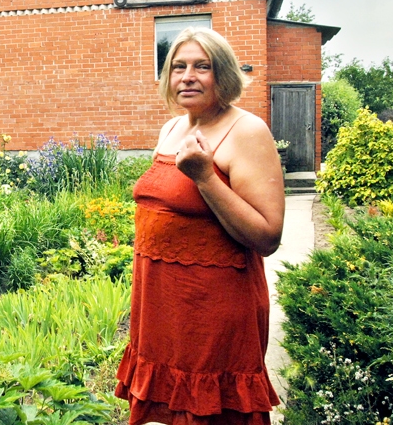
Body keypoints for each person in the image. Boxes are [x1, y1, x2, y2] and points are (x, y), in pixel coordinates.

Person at [115, 27, 285, 425]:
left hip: (212, 312)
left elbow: (267, 236)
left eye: (201, 66)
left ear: (222, 75)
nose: (187, 76)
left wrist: (205, 178)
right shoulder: (172, 128)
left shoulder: (246, 131)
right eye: (178, 67)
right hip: (161, 309)